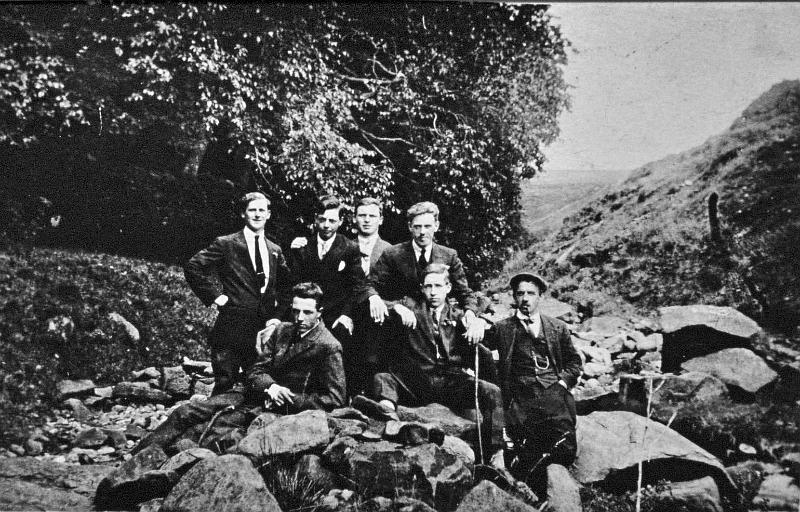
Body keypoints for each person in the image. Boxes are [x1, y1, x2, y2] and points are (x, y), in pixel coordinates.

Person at [134, 282, 345, 454]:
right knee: (185, 412)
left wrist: (288, 398)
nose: (299, 318)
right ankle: (138, 457)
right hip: (252, 393)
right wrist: (271, 387)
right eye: (295, 311)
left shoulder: (329, 346)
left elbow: (334, 400)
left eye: (307, 312)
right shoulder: (282, 330)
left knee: (213, 432)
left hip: (279, 411)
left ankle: (165, 465)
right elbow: (255, 370)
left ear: (320, 313)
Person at [358, 264, 505, 467]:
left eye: (438, 286)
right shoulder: (411, 306)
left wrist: (479, 324)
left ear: (448, 288)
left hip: (451, 383)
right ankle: (391, 424)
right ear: (422, 288)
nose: (433, 292)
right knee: (382, 379)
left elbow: (492, 331)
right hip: (417, 382)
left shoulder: (459, 316)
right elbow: (378, 302)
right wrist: (397, 308)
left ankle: (495, 454)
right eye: (428, 286)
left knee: (492, 392)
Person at [184, 192, 293, 395]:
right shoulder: (227, 243)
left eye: (262, 210)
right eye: (252, 210)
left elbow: (287, 288)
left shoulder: (274, 249)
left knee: (259, 386)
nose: (258, 215)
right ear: (243, 214)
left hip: (263, 331)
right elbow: (194, 266)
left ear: (269, 214)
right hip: (232, 327)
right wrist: (215, 296)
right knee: (225, 386)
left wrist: (277, 318)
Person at [483, 273, 582, 486]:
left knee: (565, 445)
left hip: (553, 394)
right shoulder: (502, 328)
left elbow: (575, 364)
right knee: (523, 446)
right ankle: (530, 482)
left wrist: (562, 384)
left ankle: (551, 481)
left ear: (540, 297)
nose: (525, 298)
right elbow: (478, 350)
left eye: (531, 293)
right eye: (520, 294)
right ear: (514, 297)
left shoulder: (557, 327)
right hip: (519, 397)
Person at [362, 201, 485, 349]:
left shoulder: (449, 256)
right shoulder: (393, 254)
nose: (422, 232)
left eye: (427, 226)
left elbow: (465, 293)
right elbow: (370, 286)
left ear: (436, 226)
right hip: (401, 327)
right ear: (410, 227)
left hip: (437, 328)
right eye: (417, 226)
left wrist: (471, 313)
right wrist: (384, 302)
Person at [286, 195, 365, 342]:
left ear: (340, 221)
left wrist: (346, 315)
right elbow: (293, 283)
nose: (326, 225)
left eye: (332, 220)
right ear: (316, 219)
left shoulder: (350, 248)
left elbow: (357, 286)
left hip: (336, 317)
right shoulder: (302, 246)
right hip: (306, 316)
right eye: (322, 219)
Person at [349, 197, 392, 395]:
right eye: (362, 215)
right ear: (354, 218)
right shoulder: (343, 246)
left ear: (381, 219)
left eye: (372, 216)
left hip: (378, 318)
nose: (367, 220)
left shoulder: (390, 251)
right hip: (347, 313)